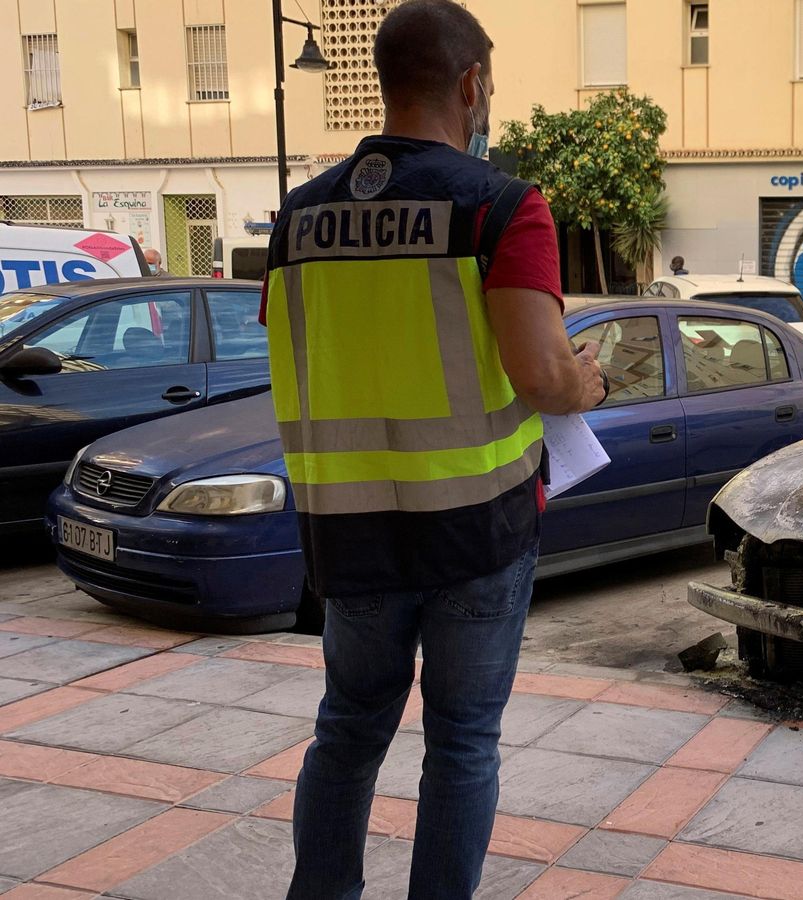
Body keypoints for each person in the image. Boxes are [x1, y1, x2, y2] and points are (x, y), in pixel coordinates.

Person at [260, 1, 605, 896]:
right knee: (460, 742)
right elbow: (540, 374)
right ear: (471, 86)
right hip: (474, 536)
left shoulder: (298, 219)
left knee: (346, 730)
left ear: (383, 82)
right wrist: (585, 384)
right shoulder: (500, 206)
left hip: (350, 534)